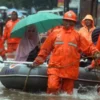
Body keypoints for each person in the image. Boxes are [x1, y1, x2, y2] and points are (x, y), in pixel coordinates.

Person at [31, 10, 100, 95]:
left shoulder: (77, 36)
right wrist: (38, 61)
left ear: (74, 23)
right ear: (63, 21)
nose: (68, 23)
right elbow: (45, 49)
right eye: (66, 20)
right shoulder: (55, 33)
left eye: (71, 21)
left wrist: (96, 53)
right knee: (52, 87)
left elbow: (89, 47)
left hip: (70, 69)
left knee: (67, 94)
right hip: (55, 67)